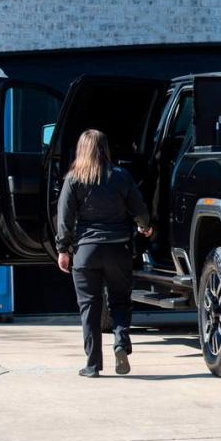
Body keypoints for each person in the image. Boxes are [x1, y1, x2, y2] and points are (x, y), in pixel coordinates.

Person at [55, 129, 152, 378]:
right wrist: (145, 225)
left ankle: (92, 365)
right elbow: (137, 206)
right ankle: (120, 343)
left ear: (81, 149)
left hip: (86, 251)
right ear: (104, 148)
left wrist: (63, 249)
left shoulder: (74, 179)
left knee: (90, 306)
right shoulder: (120, 176)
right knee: (119, 300)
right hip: (118, 249)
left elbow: (64, 218)